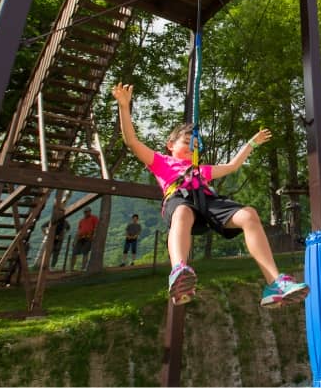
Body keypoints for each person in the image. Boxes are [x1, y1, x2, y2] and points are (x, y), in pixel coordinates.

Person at [112, 82, 309, 307]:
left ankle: (274, 284)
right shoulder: (161, 162)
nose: (192, 147)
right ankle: (179, 272)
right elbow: (132, 141)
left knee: (249, 215)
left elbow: (232, 166)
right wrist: (124, 107)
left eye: (195, 145)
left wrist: (251, 144)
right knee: (182, 211)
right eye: (187, 142)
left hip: (206, 201)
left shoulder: (201, 169)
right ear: (170, 145)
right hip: (179, 199)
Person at [70, 207, 99, 271]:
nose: (86, 213)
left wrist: (94, 236)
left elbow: (96, 227)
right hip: (80, 238)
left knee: (85, 252)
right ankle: (71, 268)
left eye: (87, 211)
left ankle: (83, 268)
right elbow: (78, 231)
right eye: (85, 212)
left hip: (88, 237)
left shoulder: (94, 218)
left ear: (90, 211)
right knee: (74, 252)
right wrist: (75, 240)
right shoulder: (81, 221)